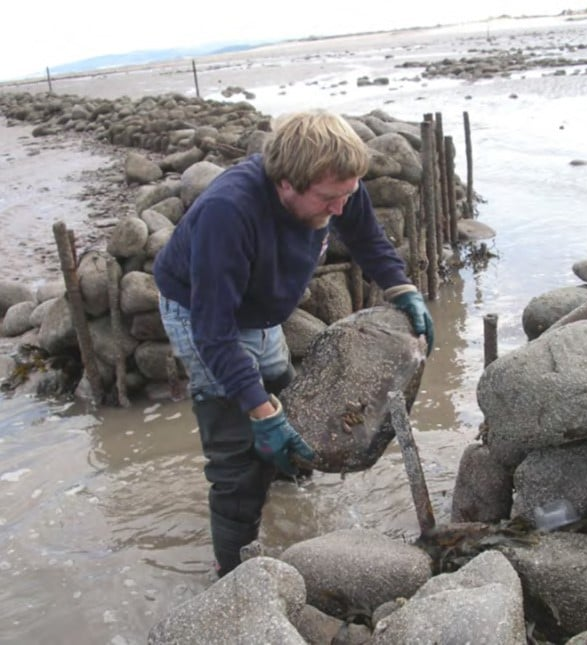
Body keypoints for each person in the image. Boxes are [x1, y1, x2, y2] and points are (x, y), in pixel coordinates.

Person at [153, 109, 434, 577]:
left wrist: (402, 290)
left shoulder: (336, 182)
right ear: (286, 183)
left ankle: (291, 507)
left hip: (261, 312)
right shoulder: (229, 212)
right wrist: (259, 412)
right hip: (201, 314)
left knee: (290, 403)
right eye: (328, 200)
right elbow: (214, 332)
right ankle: (236, 577)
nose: (340, 208)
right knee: (238, 454)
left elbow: (366, 237)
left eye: (347, 194)